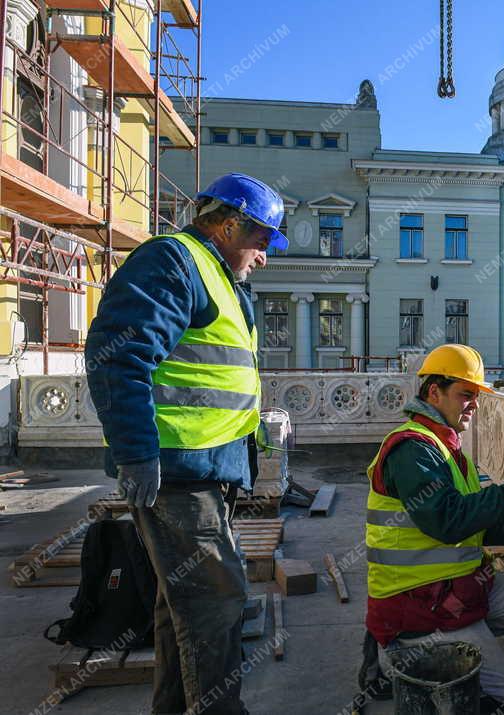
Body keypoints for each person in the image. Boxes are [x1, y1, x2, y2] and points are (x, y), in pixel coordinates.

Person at [85, 173, 287, 715]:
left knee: (184, 606)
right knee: (217, 602)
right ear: (227, 225)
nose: (264, 256)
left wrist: (253, 434)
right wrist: (136, 454)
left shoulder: (217, 277)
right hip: (175, 473)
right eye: (262, 241)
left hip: (202, 472)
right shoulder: (174, 261)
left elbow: (212, 374)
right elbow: (117, 356)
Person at [365, 344, 504, 710]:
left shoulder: (447, 448)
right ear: (433, 392)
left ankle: (466, 644)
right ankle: (408, 656)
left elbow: (474, 525)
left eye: (477, 397)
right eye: (465, 395)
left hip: (454, 591)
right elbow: (448, 522)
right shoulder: (412, 449)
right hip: (415, 606)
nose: (474, 405)